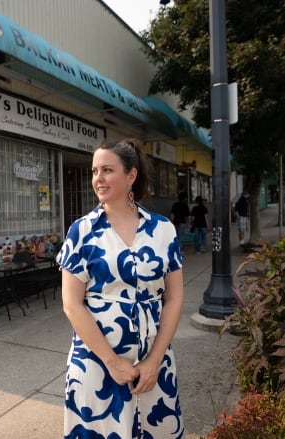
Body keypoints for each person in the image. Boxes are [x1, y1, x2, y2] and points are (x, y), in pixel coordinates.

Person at [56, 138, 185, 437]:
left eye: (107, 170)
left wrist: (154, 361)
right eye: (94, 171)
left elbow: (175, 297)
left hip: (154, 363)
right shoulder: (82, 231)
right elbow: (71, 304)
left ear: (131, 175)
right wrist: (113, 362)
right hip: (96, 363)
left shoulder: (163, 229)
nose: (97, 179)